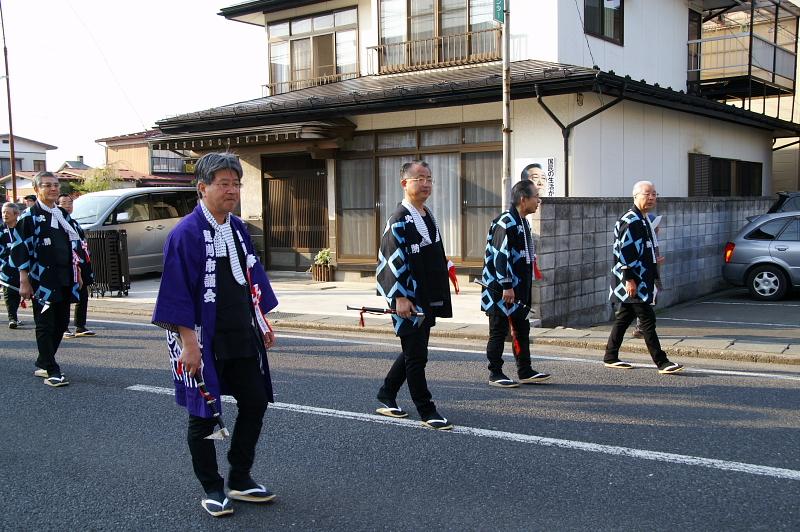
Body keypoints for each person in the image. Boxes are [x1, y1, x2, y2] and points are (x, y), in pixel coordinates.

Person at [152, 152, 279, 518]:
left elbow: (252, 281)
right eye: (223, 183)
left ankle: (240, 477)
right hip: (202, 340)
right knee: (205, 415)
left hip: (240, 334)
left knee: (255, 402)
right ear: (202, 187)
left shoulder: (237, 229)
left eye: (236, 183)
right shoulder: (185, 234)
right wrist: (188, 346)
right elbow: (175, 294)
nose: (232, 190)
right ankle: (212, 486)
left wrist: (262, 323)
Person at [375, 160, 453, 430]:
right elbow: (389, 261)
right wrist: (399, 297)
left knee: (413, 350)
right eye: (419, 178)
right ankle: (426, 409)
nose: (426, 183)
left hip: (426, 295)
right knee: (417, 355)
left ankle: (387, 393)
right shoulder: (398, 219)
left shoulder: (426, 214)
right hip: (408, 298)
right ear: (404, 183)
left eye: (429, 178)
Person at [10, 172, 89, 387]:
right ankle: (52, 369)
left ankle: (44, 360)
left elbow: (74, 245)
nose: (53, 189)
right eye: (47, 185)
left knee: (62, 322)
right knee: (45, 323)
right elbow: (19, 248)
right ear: (37, 189)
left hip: (65, 277)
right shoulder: (30, 216)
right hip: (41, 280)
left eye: (56, 185)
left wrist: (78, 272)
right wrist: (23, 279)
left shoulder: (62, 214)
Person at [604, 181, 683, 374]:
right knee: (647, 319)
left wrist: (654, 259)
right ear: (636, 196)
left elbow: (641, 248)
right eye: (647, 194)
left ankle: (610, 356)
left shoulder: (643, 219)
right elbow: (625, 251)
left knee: (624, 318)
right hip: (633, 280)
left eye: (654, 194)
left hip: (640, 277)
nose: (652, 198)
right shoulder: (631, 220)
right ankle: (662, 362)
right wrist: (629, 278)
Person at [481, 180, 551, 387]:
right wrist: (506, 285)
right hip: (500, 288)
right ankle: (495, 372)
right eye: (536, 197)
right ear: (523, 199)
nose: (539, 201)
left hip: (518, 288)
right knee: (498, 330)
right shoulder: (505, 222)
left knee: (522, 328)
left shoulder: (522, 222)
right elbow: (500, 257)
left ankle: (525, 369)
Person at [57, 194, 96, 338]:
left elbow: (82, 242)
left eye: (70, 202)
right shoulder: (57, 222)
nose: (68, 205)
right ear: (57, 205)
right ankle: (63, 327)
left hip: (81, 261)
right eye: (64, 203)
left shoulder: (74, 223)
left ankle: (80, 325)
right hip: (68, 263)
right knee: (66, 295)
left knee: (83, 293)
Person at [632, 213, 663, 339]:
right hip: (645, 277)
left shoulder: (652, 239)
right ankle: (641, 329)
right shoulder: (646, 239)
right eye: (657, 226)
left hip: (651, 275)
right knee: (645, 304)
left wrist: (657, 260)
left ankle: (642, 329)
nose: (659, 229)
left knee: (648, 303)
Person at [1, 202, 23, 328]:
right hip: (6, 268)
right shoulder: (1, 230)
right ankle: (12, 318)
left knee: (18, 292)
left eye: (8, 213)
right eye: (3, 212)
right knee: (9, 292)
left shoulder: (22, 229)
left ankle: (14, 315)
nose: (5, 215)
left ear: (16, 214)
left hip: (22, 267)